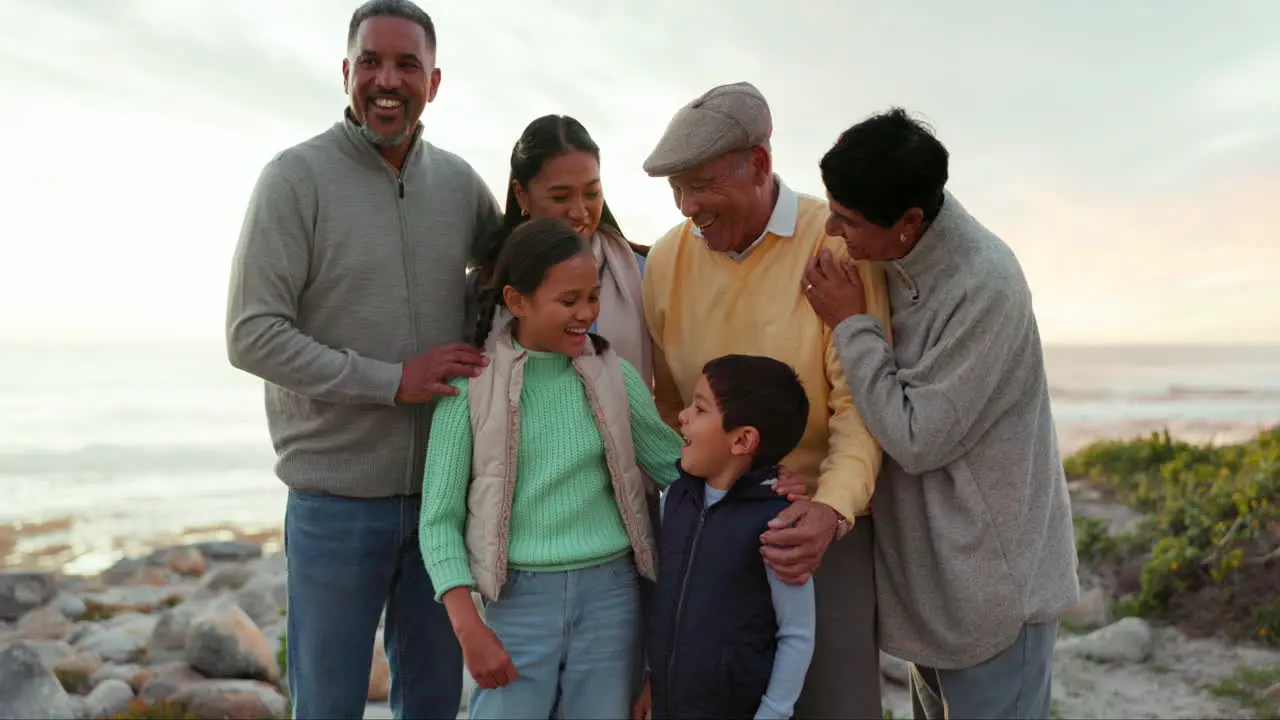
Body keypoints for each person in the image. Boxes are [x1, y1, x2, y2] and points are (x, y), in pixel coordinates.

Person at [224, 1, 501, 717]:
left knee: (436, 703)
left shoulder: (461, 186)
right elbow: (252, 333)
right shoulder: (295, 179)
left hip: (443, 501)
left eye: (406, 64)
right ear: (347, 73)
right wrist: (391, 381)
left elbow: (521, 284)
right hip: (334, 504)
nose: (388, 79)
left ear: (433, 82)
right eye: (371, 62)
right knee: (327, 704)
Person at [418, 217, 808, 720]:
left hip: (612, 600)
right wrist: (469, 629)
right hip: (516, 602)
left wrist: (764, 483)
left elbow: (680, 468)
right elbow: (438, 520)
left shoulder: (614, 376)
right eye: (568, 301)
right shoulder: (469, 390)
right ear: (516, 301)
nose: (586, 314)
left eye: (593, 297)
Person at [802, 107, 1079, 720]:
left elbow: (919, 436)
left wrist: (852, 324)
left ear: (909, 222)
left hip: (992, 590)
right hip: (932, 583)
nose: (831, 228)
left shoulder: (986, 284)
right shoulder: (890, 257)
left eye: (847, 219)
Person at [640, 81, 891, 719]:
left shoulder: (833, 245)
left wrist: (829, 511)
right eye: (675, 189)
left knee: (834, 707)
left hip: (808, 533)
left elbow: (861, 405)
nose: (687, 205)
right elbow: (671, 405)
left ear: (758, 165)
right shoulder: (666, 261)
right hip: (708, 531)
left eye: (699, 185)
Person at [637, 354, 817, 720]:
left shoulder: (779, 523)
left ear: (743, 439)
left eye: (700, 409)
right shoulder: (674, 500)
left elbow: (797, 633)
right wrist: (649, 680)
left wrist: (774, 713)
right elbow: (661, 602)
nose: (682, 416)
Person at [468, 114, 652, 379]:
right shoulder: (484, 288)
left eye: (591, 193)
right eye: (560, 197)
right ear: (522, 194)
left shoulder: (643, 274)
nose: (579, 212)